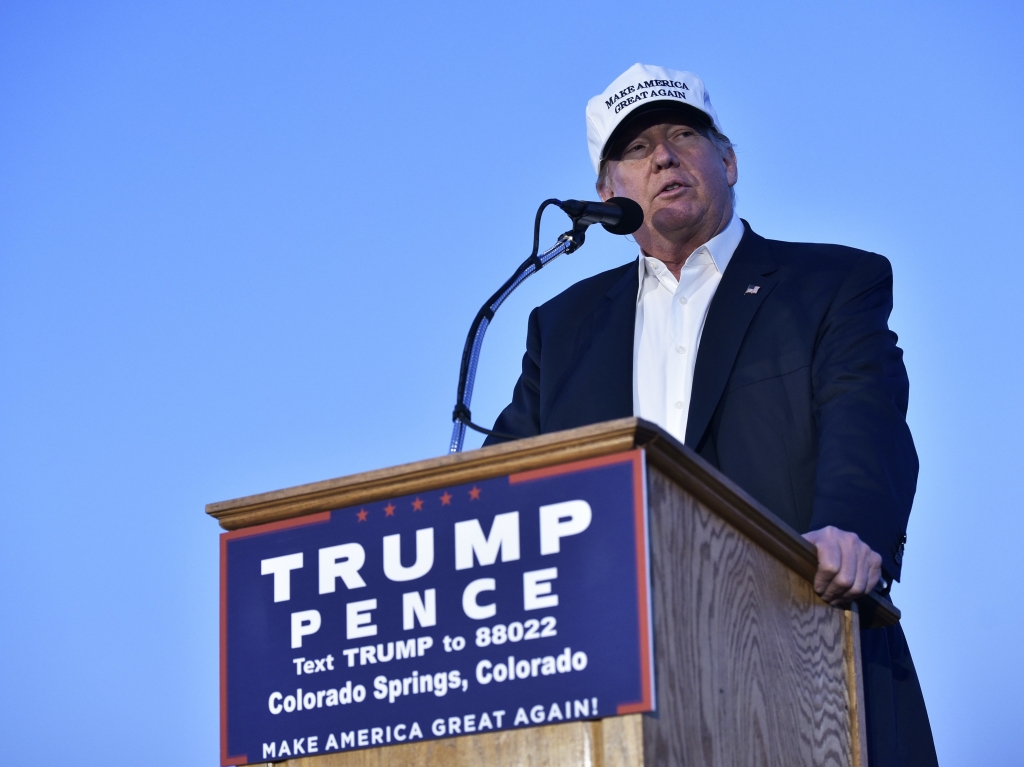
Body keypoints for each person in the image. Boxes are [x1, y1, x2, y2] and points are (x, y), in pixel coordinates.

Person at [484, 63, 937, 766]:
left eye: (683, 135)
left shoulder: (830, 283)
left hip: (801, 651)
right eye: (634, 149)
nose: (662, 155)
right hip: (612, 691)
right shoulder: (562, 327)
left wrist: (851, 527)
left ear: (727, 160)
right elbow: (505, 480)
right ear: (608, 192)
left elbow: (864, 413)